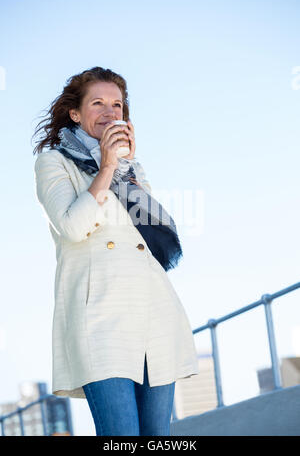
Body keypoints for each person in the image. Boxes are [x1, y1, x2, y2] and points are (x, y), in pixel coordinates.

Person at [33, 66, 200, 436]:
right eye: (98, 103)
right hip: (100, 319)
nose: (110, 112)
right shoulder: (53, 162)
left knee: (157, 436)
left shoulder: (130, 169)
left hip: (154, 315)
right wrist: (107, 167)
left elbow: (162, 239)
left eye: (117, 105)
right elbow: (73, 227)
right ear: (75, 113)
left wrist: (128, 171)